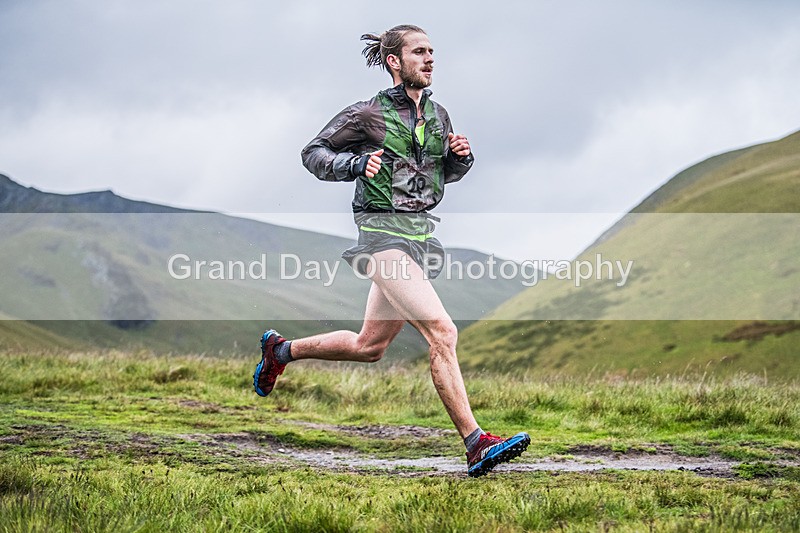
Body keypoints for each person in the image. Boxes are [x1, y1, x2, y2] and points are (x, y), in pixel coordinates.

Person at [253, 24, 529, 477]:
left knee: (369, 346)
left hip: (420, 238)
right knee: (442, 331)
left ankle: (279, 353)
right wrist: (355, 163)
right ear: (394, 62)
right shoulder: (367, 115)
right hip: (381, 237)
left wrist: (459, 160)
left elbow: (438, 175)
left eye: (432, 51)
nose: (429, 59)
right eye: (419, 52)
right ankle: (476, 442)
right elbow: (313, 153)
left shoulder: (440, 116)